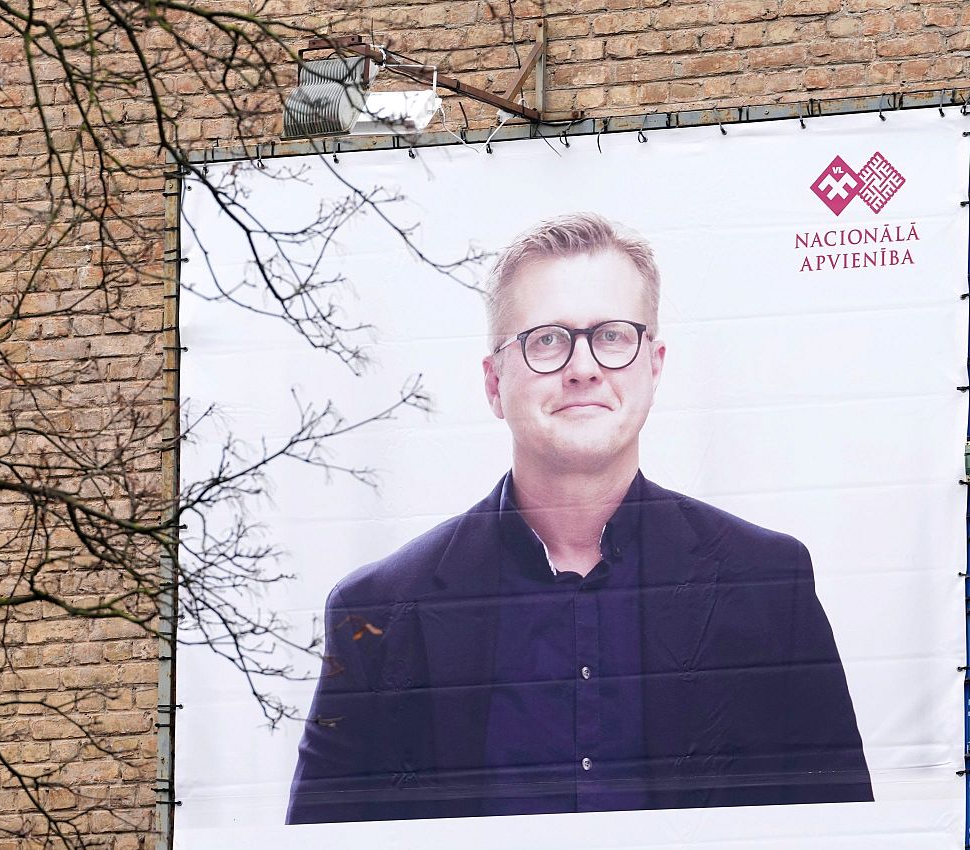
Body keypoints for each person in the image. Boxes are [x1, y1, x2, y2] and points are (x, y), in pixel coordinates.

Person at [286, 213, 872, 824]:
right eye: (546, 340)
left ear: (655, 366)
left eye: (613, 336)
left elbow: (843, 833)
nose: (584, 367)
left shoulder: (768, 585)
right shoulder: (375, 614)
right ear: (494, 382)